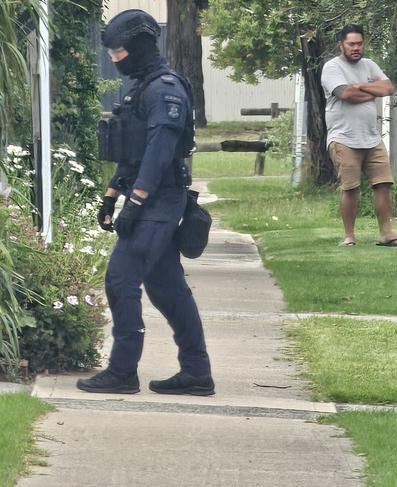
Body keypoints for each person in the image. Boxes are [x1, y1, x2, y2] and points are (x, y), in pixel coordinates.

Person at [77, 9, 214, 396]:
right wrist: (112, 194)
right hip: (151, 199)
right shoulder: (144, 86)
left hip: (160, 201)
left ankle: (122, 371)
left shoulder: (165, 89)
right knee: (167, 288)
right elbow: (134, 150)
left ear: (137, 47)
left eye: (119, 50)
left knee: (121, 279)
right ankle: (197, 373)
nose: (115, 58)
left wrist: (135, 203)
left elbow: (159, 152)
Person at [321, 24, 397, 247]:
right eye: (351, 44)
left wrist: (359, 86)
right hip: (344, 138)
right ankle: (349, 236)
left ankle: (387, 234)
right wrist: (368, 90)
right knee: (350, 187)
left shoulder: (369, 64)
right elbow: (345, 93)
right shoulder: (332, 68)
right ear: (341, 45)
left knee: (384, 184)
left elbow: (388, 88)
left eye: (359, 43)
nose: (356, 48)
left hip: (371, 137)